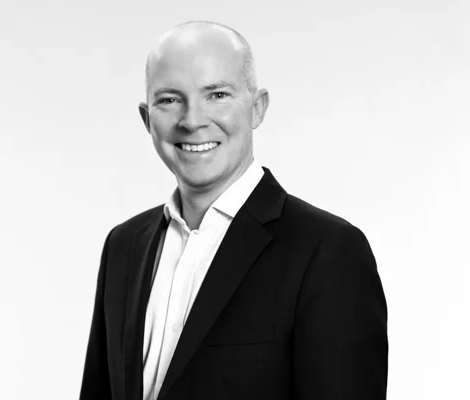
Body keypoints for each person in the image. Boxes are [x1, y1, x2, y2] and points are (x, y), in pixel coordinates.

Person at [79, 21, 388, 400]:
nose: (192, 120)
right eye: (170, 100)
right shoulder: (123, 246)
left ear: (258, 108)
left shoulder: (327, 251)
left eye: (217, 94)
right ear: (147, 119)